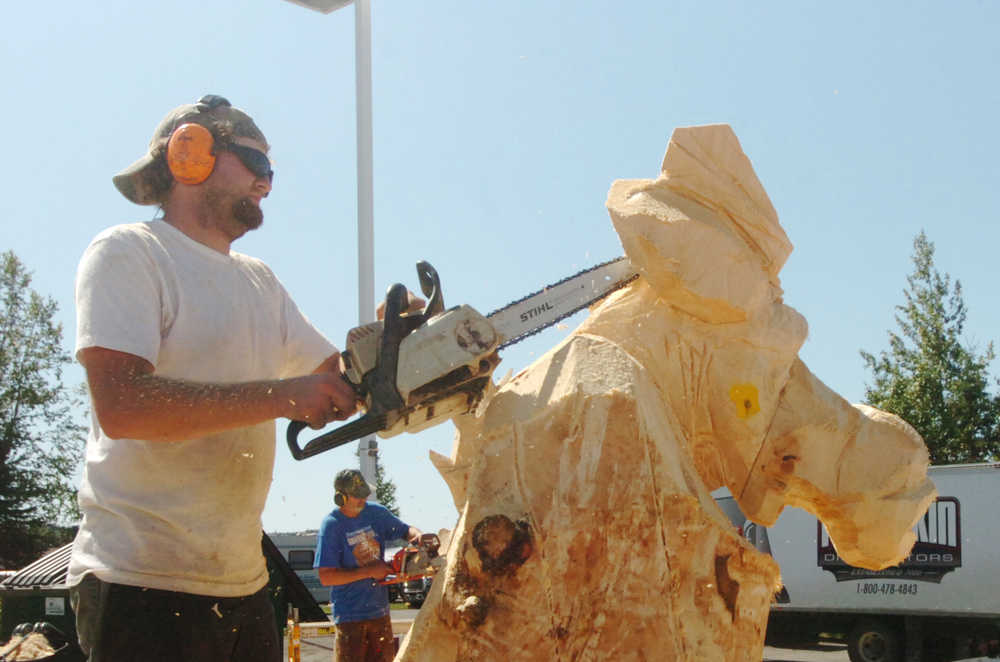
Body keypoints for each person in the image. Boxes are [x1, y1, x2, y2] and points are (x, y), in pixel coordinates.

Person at [67, 94, 359, 662]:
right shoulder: (132, 253)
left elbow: (335, 378)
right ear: (191, 153)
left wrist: (406, 352)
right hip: (139, 579)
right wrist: (284, 396)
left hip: (241, 582)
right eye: (257, 165)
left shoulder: (260, 283)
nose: (267, 184)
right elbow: (124, 406)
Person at [315, 469, 422, 662]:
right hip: (350, 617)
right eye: (357, 497)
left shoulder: (376, 513)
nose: (362, 500)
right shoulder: (332, 525)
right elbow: (326, 576)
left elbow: (407, 530)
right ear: (341, 497)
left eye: (364, 495)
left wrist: (417, 536)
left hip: (379, 614)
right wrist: (368, 572)